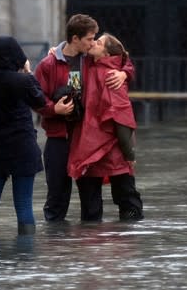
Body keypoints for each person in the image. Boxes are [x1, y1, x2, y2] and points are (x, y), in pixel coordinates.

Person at [33, 14, 134, 222]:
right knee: (57, 197)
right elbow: (35, 97)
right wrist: (54, 110)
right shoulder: (49, 64)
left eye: (95, 38)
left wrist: (125, 73)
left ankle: (87, 241)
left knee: (91, 200)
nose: (93, 43)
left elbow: (120, 57)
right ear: (75, 39)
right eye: (90, 38)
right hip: (58, 137)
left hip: (86, 138)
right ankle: (56, 247)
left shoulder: (89, 59)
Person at [0, 36, 46, 236]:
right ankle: (25, 257)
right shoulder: (24, 80)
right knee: (24, 207)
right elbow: (40, 101)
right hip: (23, 149)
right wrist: (29, 72)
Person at [68, 33, 143, 221]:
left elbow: (120, 118)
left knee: (92, 210)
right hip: (103, 149)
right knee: (128, 203)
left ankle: (94, 244)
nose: (93, 42)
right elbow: (122, 119)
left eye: (98, 42)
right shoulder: (86, 66)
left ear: (106, 53)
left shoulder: (111, 76)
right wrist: (129, 155)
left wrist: (128, 154)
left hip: (96, 148)